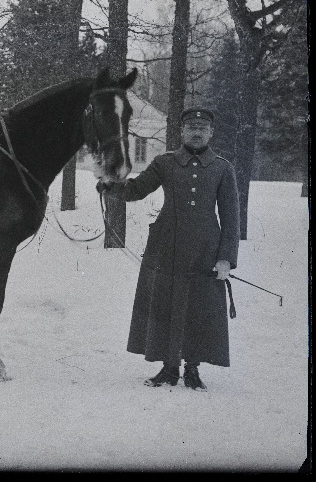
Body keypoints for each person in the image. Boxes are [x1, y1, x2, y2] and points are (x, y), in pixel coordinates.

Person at [99, 107, 240, 390]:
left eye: (202, 128)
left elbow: (231, 218)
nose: (197, 133)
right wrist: (110, 185)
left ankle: (192, 369)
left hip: (206, 252)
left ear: (211, 133)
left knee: (198, 308)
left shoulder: (223, 168)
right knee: (166, 305)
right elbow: (137, 189)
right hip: (166, 248)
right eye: (191, 127)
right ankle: (168, 368)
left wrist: (226, 258)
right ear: (181, 132)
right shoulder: (165, 163)